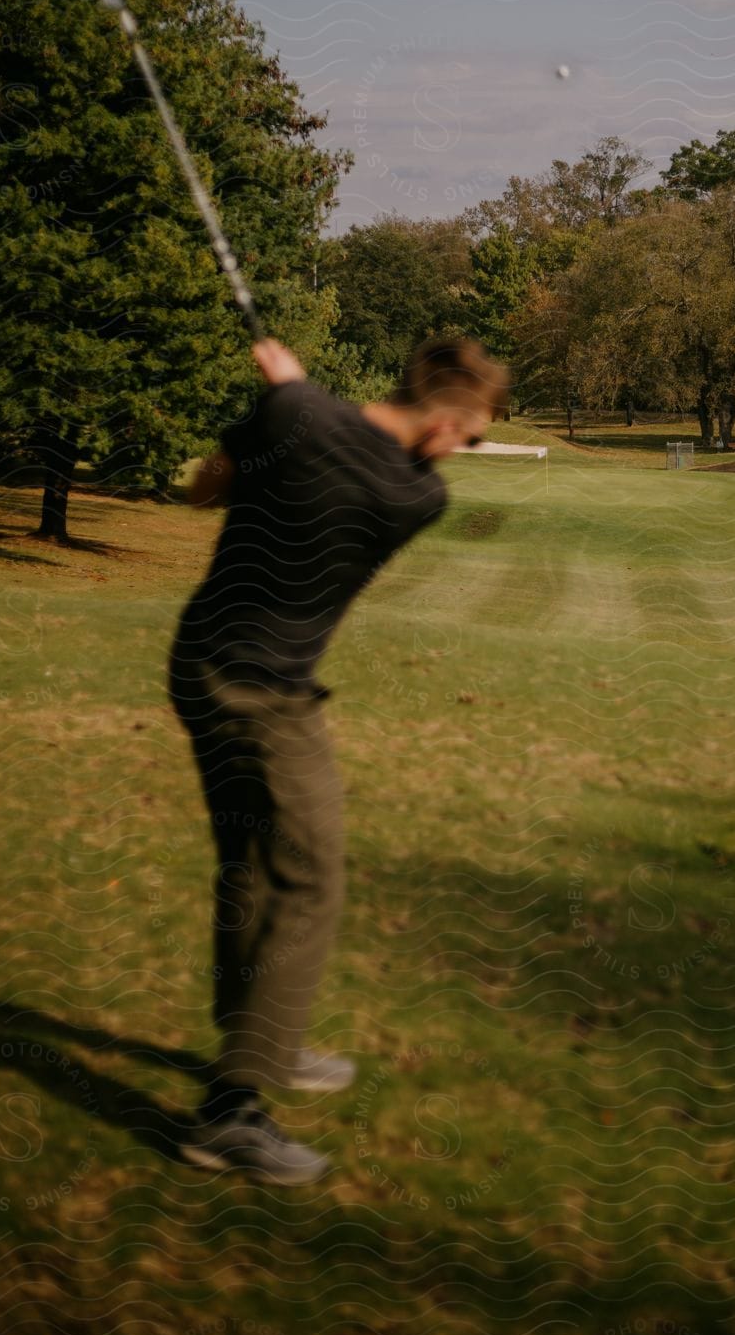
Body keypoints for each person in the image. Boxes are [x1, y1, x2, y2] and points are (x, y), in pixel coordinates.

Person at [167, 333, 510, 1183]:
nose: (466, 452)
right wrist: (298, 395)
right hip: (264, 694)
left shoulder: (295, 415)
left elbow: (207, 488)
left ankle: (261, 1042)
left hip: (201, 659)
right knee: (309, 875)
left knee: (252, 859)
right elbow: (348, 451)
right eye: (471, 436)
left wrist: (287, 399)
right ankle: (233, 1113)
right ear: (444, 426)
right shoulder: (415, 495)